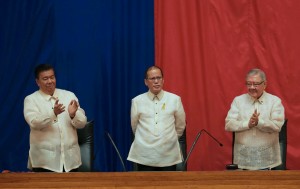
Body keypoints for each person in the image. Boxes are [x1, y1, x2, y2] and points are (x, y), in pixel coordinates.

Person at [23, 64, 87, 172]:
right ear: (37, 82)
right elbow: (34, 123)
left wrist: (73, 115)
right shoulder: (31, 100)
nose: (50, 81)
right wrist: (53, 114)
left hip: (71, 162)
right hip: (45, 163)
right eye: (45, 78)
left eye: (52, 77)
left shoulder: (69, 96)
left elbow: (82, 123)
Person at [127, 65, 186, 171]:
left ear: (163, 80)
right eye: (152, 78)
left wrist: (168, 139)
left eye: (159, 78)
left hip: (168, 155)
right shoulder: (137, 101)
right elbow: (134, 126)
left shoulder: (175, 100)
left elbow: (180, 126)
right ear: (146, 82)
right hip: (144, 156)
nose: (156, 81)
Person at [225, 68, 285, 170]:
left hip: (268, 161)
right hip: (243, 160)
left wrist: (259, 122)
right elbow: (229, 124)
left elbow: (277, 126)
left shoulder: (275, 101)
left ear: (264, 84)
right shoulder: (238, 101)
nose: (252, 87)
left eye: (255, 84)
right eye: (249, 84)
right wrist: (247, 124)